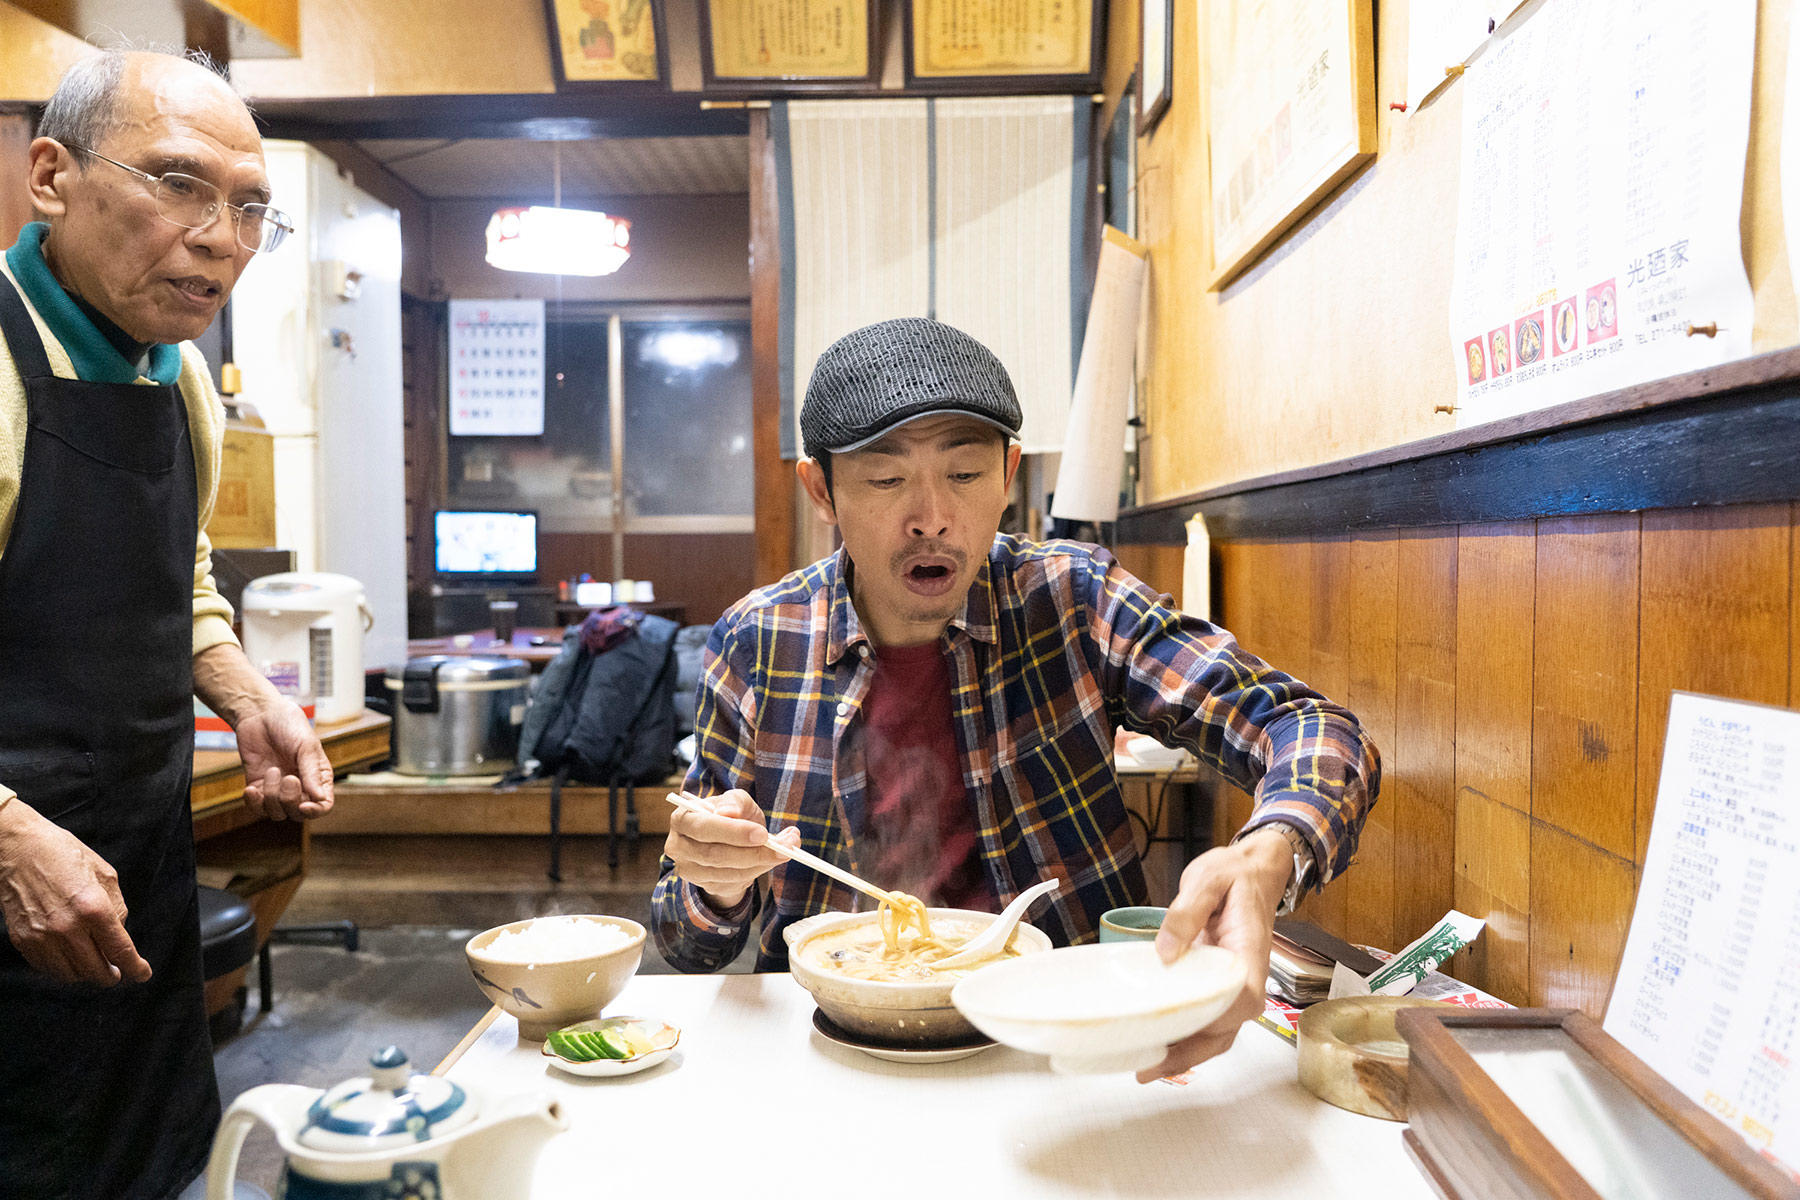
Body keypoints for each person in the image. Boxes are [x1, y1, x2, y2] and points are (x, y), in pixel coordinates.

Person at [653, 317, 1380, 1079]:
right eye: (885, 478)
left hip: (1063, 1050)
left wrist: (1272, 851)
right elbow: (685, 939)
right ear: (821, 490)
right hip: (836, 1054)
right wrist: (714, 879)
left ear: (1008, 474)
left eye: (963, 475)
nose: (931, 515)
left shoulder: (1072, 597)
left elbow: (1306, 725)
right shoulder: (757, 640)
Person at [0, 50, 333, 1199]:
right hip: (13, 866)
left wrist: (248, 696)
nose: (222, 238)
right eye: (181, 186)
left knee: (144, 1158)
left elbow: (179, 579)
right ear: (52, 176)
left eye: (249, 208)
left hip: (134, 860)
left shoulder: (178, 376)